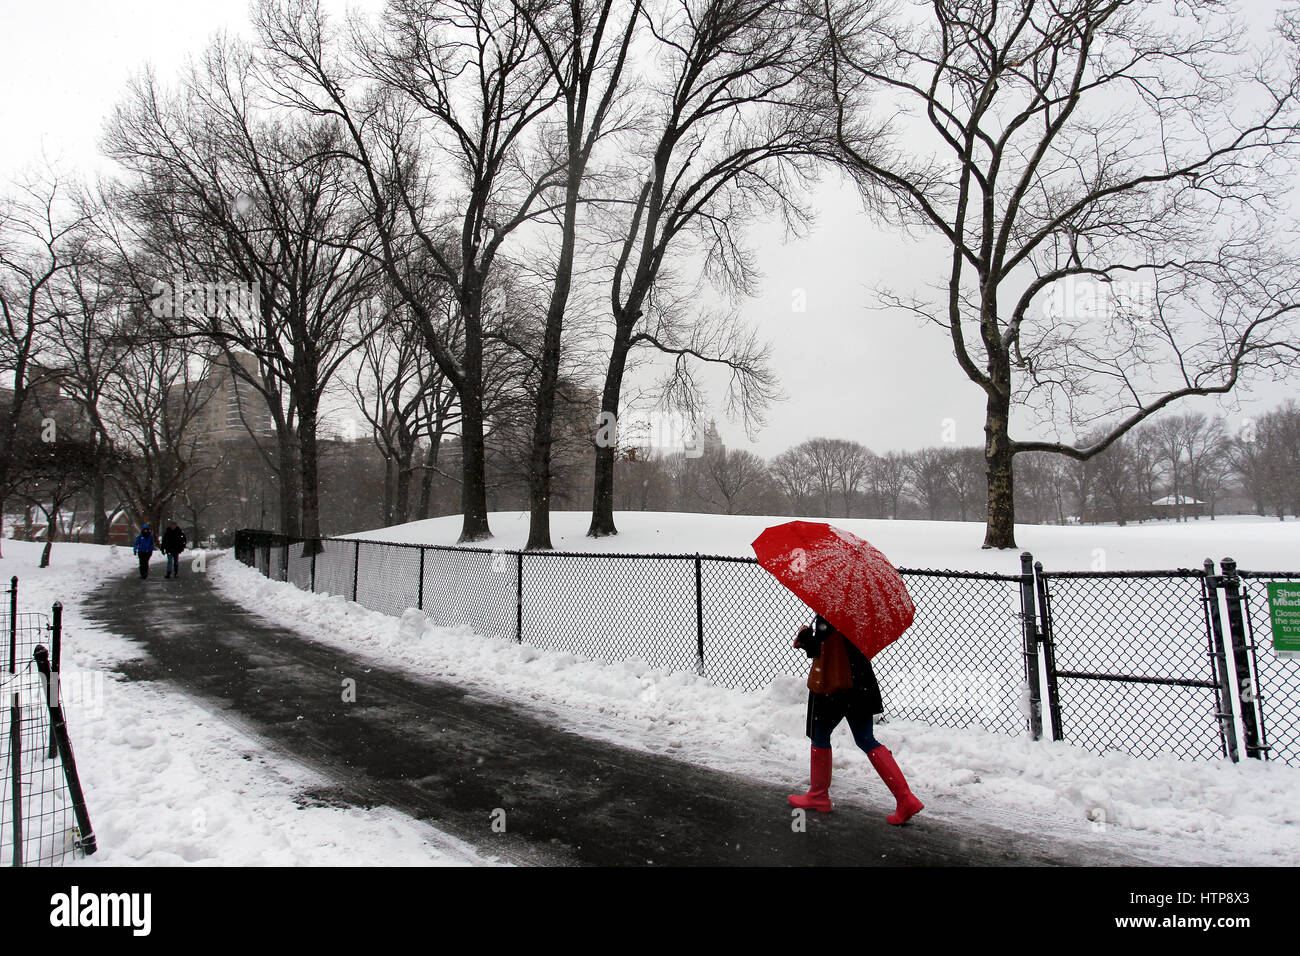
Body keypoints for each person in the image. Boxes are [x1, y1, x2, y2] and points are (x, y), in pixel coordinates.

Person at [788, 613, 924, 825]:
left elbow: (820, 647)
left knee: (820, 734)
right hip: (861, 681)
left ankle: (818, 795)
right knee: (865, 738)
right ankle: (905, 798)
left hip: (834, 685)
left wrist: (805, 635)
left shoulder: (831, 609)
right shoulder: (858, 610)